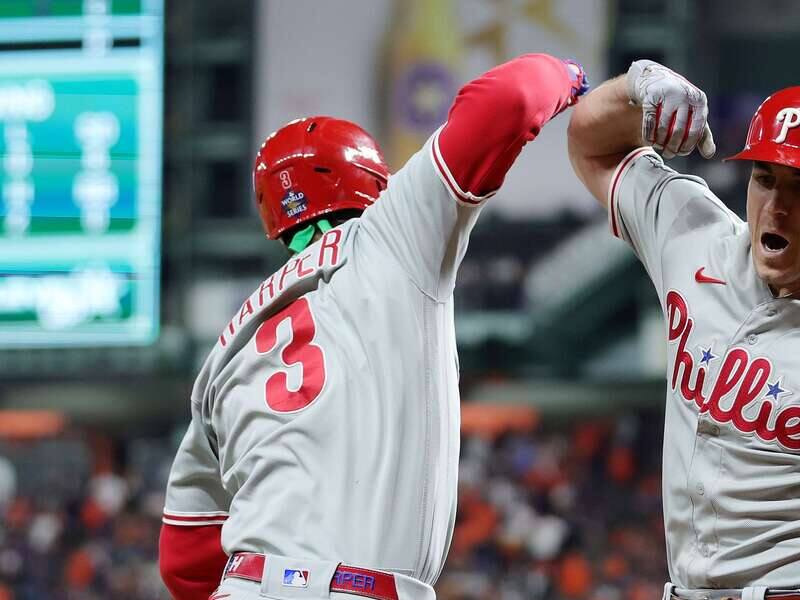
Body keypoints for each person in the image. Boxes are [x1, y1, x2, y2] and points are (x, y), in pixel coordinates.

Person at [158, 53, 589, 600]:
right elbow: (511, 98)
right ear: (371, 181)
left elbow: (184, 559)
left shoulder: (228, 346)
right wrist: (573, 75)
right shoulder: (391, 235)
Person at [568, 60, 800, 598]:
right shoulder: (694, 233)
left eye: (799, 187)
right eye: (765, 179)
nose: (777, 208)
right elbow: (589, 145)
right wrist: (635, 89)